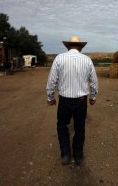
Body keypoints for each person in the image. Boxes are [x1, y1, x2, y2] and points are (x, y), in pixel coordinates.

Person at [46, 36, 98, 166]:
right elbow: (93, 81)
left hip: (64, 100)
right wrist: (93, 96)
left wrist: (50, 97)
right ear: (80, 47)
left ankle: (65, 155)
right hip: (81, 101)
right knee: (79, 128)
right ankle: (78, 156)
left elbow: (52, 80)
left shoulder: (59, 58)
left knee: (62, 126)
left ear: (68, 46)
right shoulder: (87, 60)